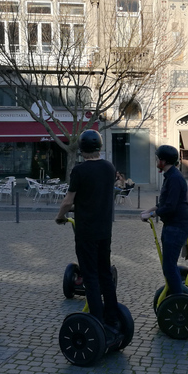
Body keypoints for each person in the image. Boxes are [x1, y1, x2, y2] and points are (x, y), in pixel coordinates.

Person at [55, 130, 121, 335]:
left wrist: (60, 216)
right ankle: (112, 317)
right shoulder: (109, 168)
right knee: (105, 274)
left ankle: (97, 319)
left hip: (86, 232)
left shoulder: (79, 170)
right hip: (104, 231)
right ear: (99, 147)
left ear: (82, 149)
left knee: (90, 276)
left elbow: (68, 201)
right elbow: (96, 196)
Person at [140, 145, 188, 296]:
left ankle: (179, 300)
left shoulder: (174, 178)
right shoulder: (171, 176)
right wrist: (150, 210)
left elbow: (170, 206)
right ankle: (176, 296)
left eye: (158, 159)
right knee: (168, 265)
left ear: (163, 161)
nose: (156, 161)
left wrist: (152, 216)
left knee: (169, 267)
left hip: (176, 227)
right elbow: (165, 202)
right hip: (172, 226)